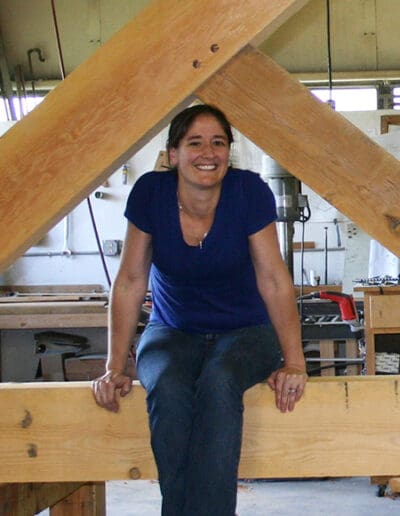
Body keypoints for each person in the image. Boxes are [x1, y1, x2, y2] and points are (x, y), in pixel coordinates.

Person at [92, 104, 307, 516]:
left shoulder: (249, 192)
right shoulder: (150, 194)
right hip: (172, 330)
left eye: (218, 142)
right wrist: (114, 367)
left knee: (219, 382)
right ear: (173, 153)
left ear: (229, 151)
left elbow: (274, 280)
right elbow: (131, 281)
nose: (207, 152)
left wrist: (294, 362)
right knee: (169, 387)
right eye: (195, 142)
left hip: (246, 332)